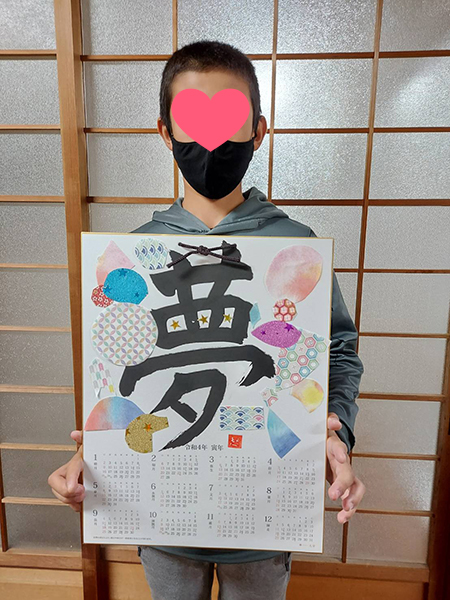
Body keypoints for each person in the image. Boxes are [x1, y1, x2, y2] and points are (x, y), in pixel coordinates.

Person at [48, 40, 366, 600]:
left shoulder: (295, 248)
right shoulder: (135, 255)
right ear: (165, 132)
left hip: (264, 511)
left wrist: (335, 429)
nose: (213, 142)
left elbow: (335, 351)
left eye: (230, 121)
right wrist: (89, 453)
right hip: (163, 513)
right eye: (193, 122)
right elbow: (120, 370)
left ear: (259, 131)